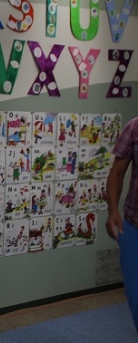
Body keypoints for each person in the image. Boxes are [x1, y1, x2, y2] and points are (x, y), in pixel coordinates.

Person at [106, 116, 138, 333]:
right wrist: (113, 211)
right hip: (134, 226)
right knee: (135, 297)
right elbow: (117, 172)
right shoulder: (135, 127)